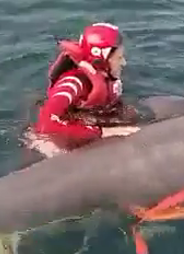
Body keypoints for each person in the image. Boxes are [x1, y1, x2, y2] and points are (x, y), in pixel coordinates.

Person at [25, 22, 141, 157]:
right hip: (54, 142)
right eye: (119, 58)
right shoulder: (72, 83)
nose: (124, 63)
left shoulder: (105, 75)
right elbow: (47, 125)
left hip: (91, 118)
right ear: (101, 61)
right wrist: (104, 133)